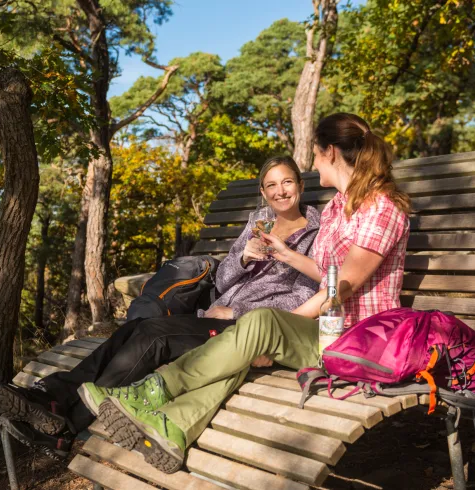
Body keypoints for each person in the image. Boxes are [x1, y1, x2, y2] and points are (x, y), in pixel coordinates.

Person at [82, 113, 411, 473]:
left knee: (258, 326)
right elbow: (325, 273)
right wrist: (286, 254)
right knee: (245, 343)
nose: (314, 163)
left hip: (360, 340)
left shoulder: (382, 209)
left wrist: (275, 332)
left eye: (316, 154)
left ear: (330, 151)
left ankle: (154, 389)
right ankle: (172, 426)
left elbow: (343, 285)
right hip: (324, 332)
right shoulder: (337, 208)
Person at [0, 156, 321, 454]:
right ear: (263, 192)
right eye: (272, 185)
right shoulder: (258, 222)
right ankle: (55, 401)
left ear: (300, 186)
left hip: (247, 330)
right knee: (136, 327)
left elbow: (305, 296)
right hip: (213, 315)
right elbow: (221, 282)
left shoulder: (315, 233)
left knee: (154, 336)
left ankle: (60, 411)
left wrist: (237, 312)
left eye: (287, 182)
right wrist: (243, 259)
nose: (280, 191)